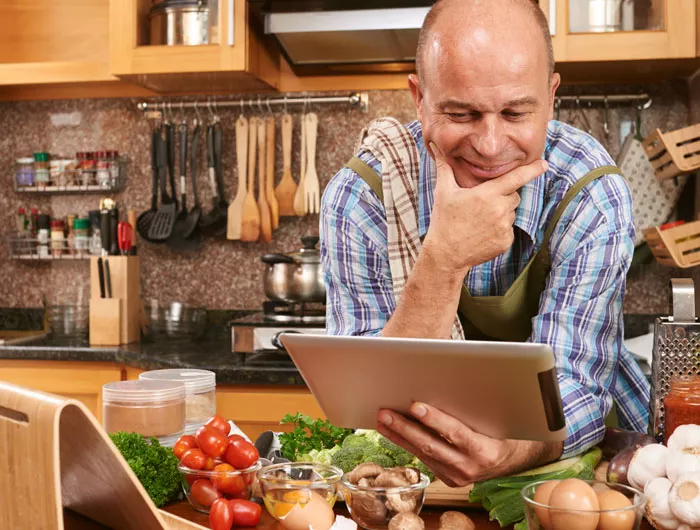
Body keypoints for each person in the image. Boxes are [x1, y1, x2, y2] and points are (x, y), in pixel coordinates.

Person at [319, 0, 650, 486]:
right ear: (419, 97)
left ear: (551, 96)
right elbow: (371, 399)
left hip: (581, 471)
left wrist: (505, 454)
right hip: (424, 480)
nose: (491, 145)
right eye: (461, 113)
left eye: (516, 112)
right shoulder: (361, 197)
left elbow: (578, 383)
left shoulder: (591, 192)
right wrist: (443, 259)